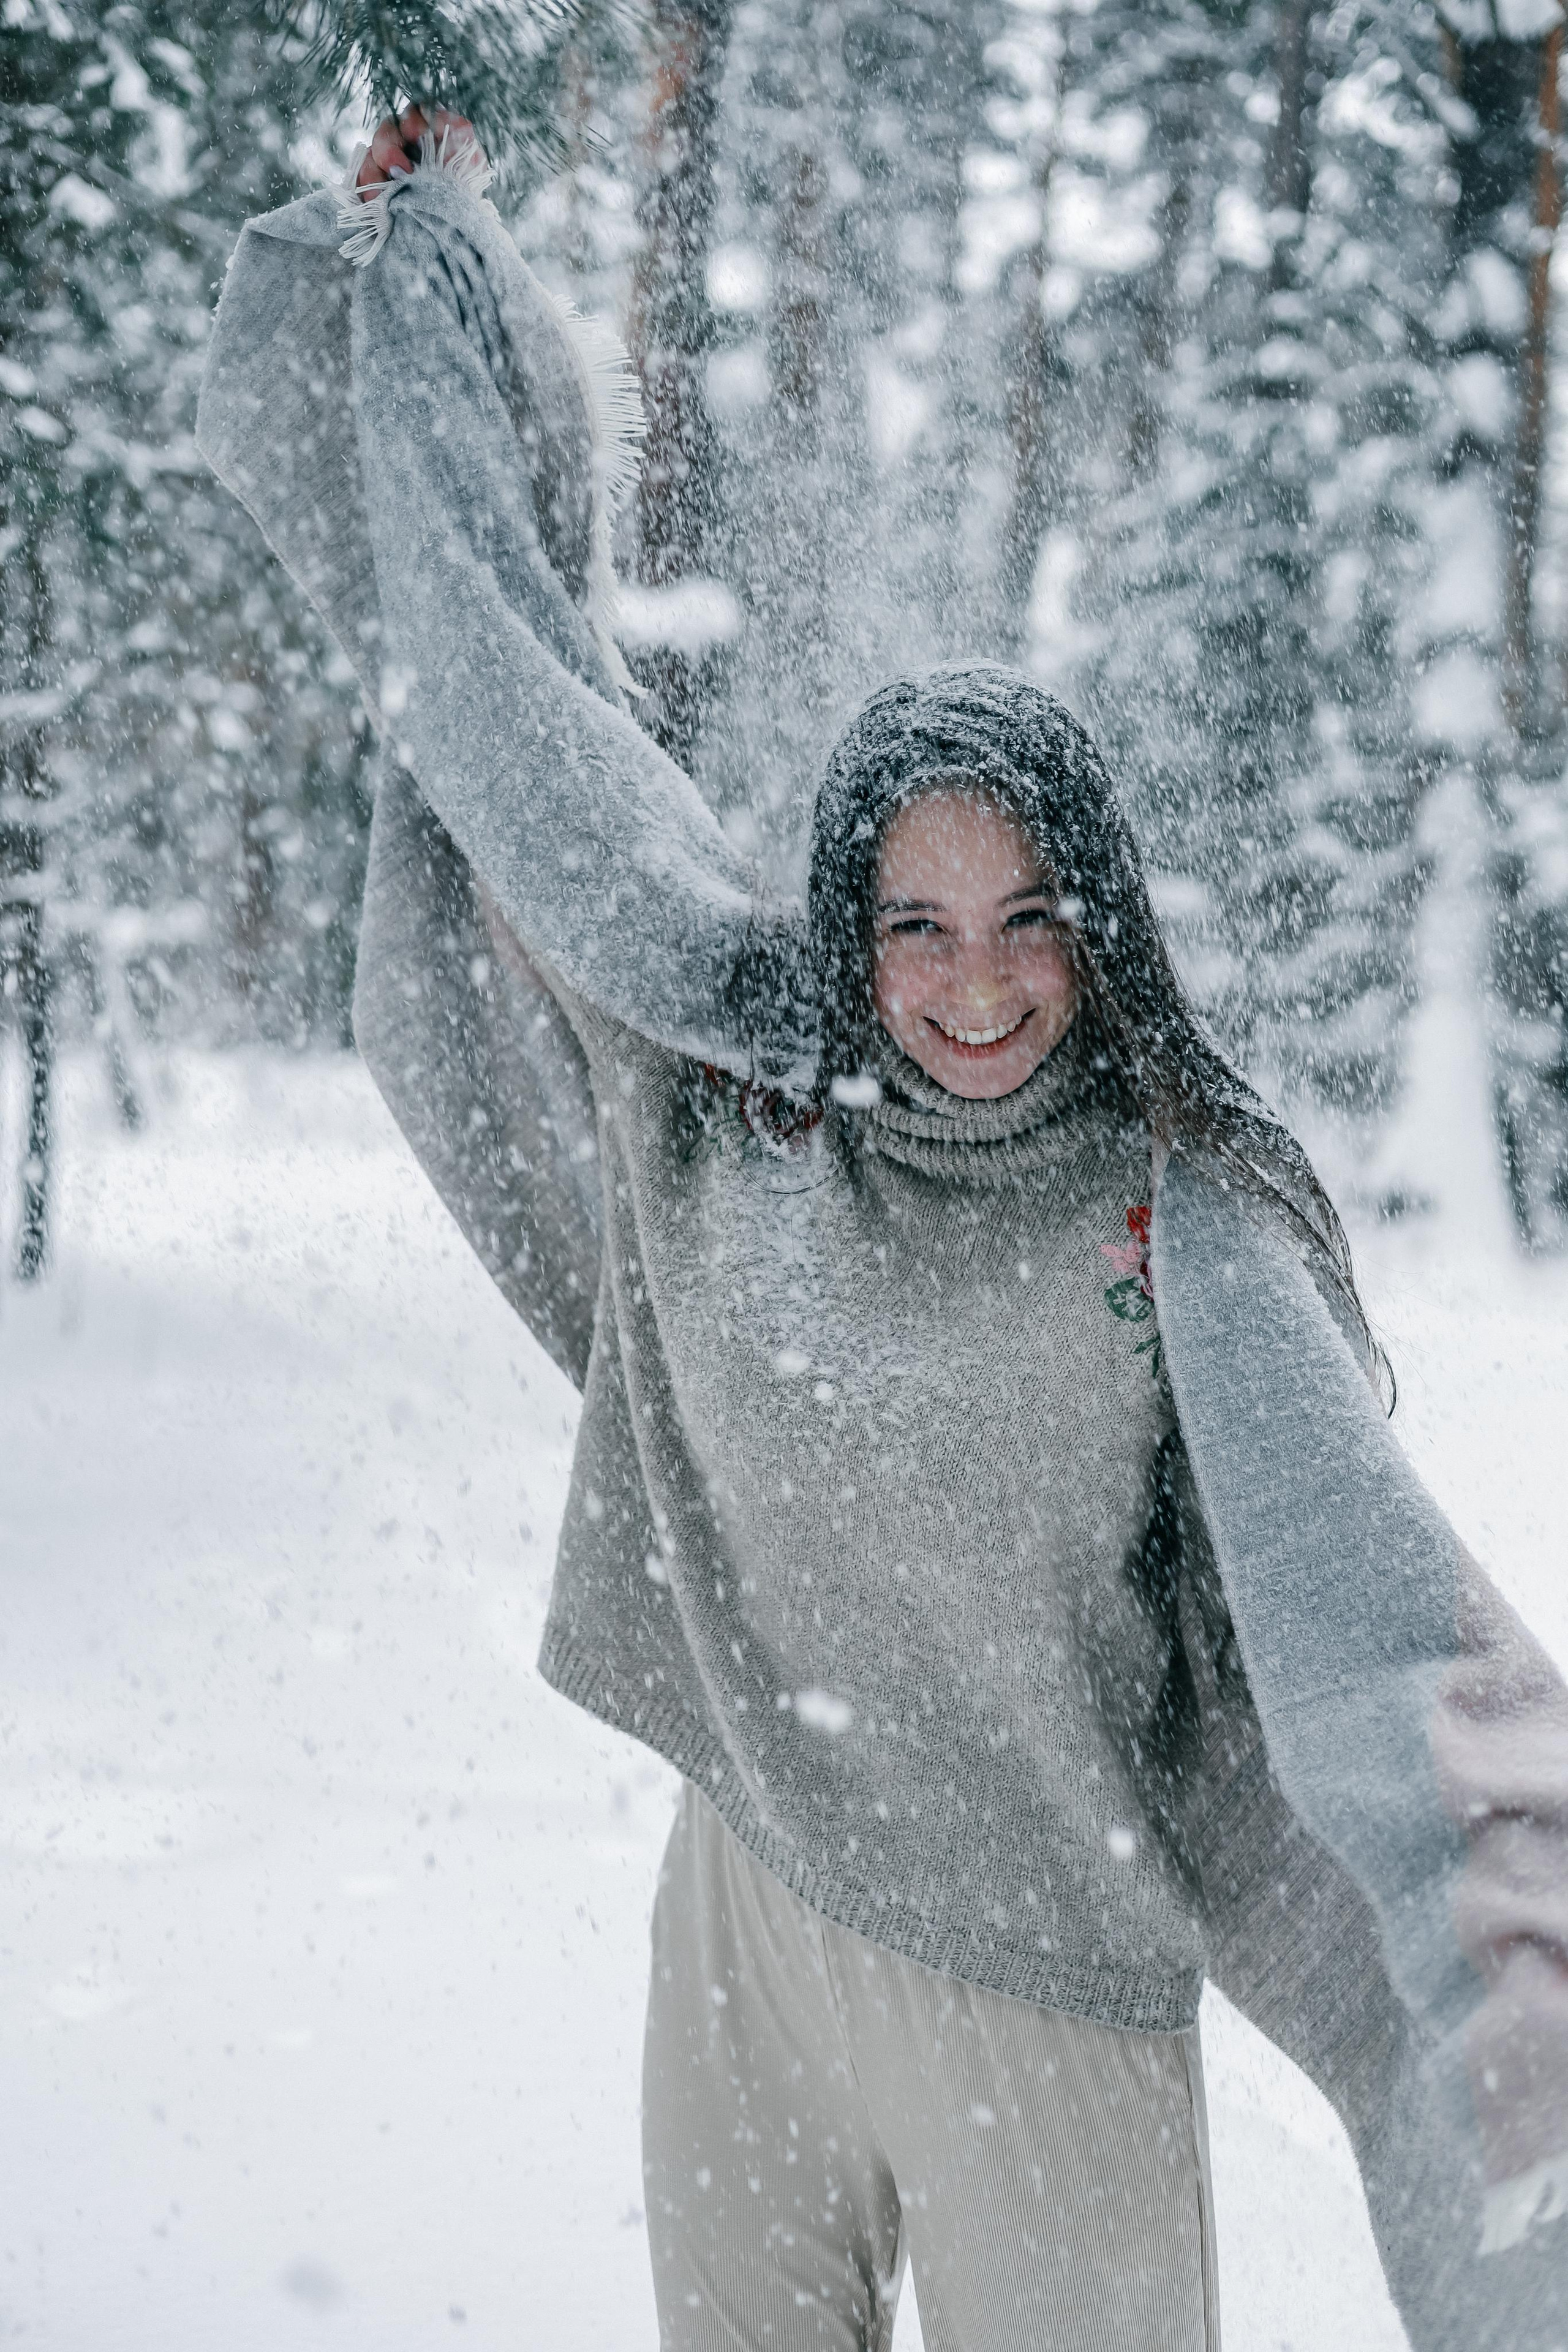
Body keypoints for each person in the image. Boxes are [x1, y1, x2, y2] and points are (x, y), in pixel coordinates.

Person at [197, 108, 1568, 2352]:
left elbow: (1388, 1639)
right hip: (743, 1927)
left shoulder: (1178, 1210)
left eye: (1031, 917)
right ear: (847, 933)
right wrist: (437, 290)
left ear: (1101, 922)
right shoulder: (739, 1111)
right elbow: (525, 732)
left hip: (1053, 2001)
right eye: (916, 924)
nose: (978, 983)